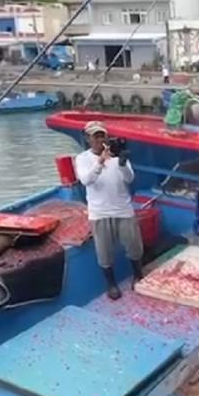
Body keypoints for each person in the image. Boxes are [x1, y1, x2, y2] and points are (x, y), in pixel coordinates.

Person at [75, 120, 144, 300]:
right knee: (105, 253)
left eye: (102, 136)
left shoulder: (117, 155)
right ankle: (111, 284)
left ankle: (138, 275)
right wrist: (100, 162)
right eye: (95, 137)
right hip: (100, 213)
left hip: (123, 209)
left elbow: (129, 179)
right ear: (88, 139)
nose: (100, 140)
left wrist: (121, 162)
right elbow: (86, 180)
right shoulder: (82, 159)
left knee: (134, 247)